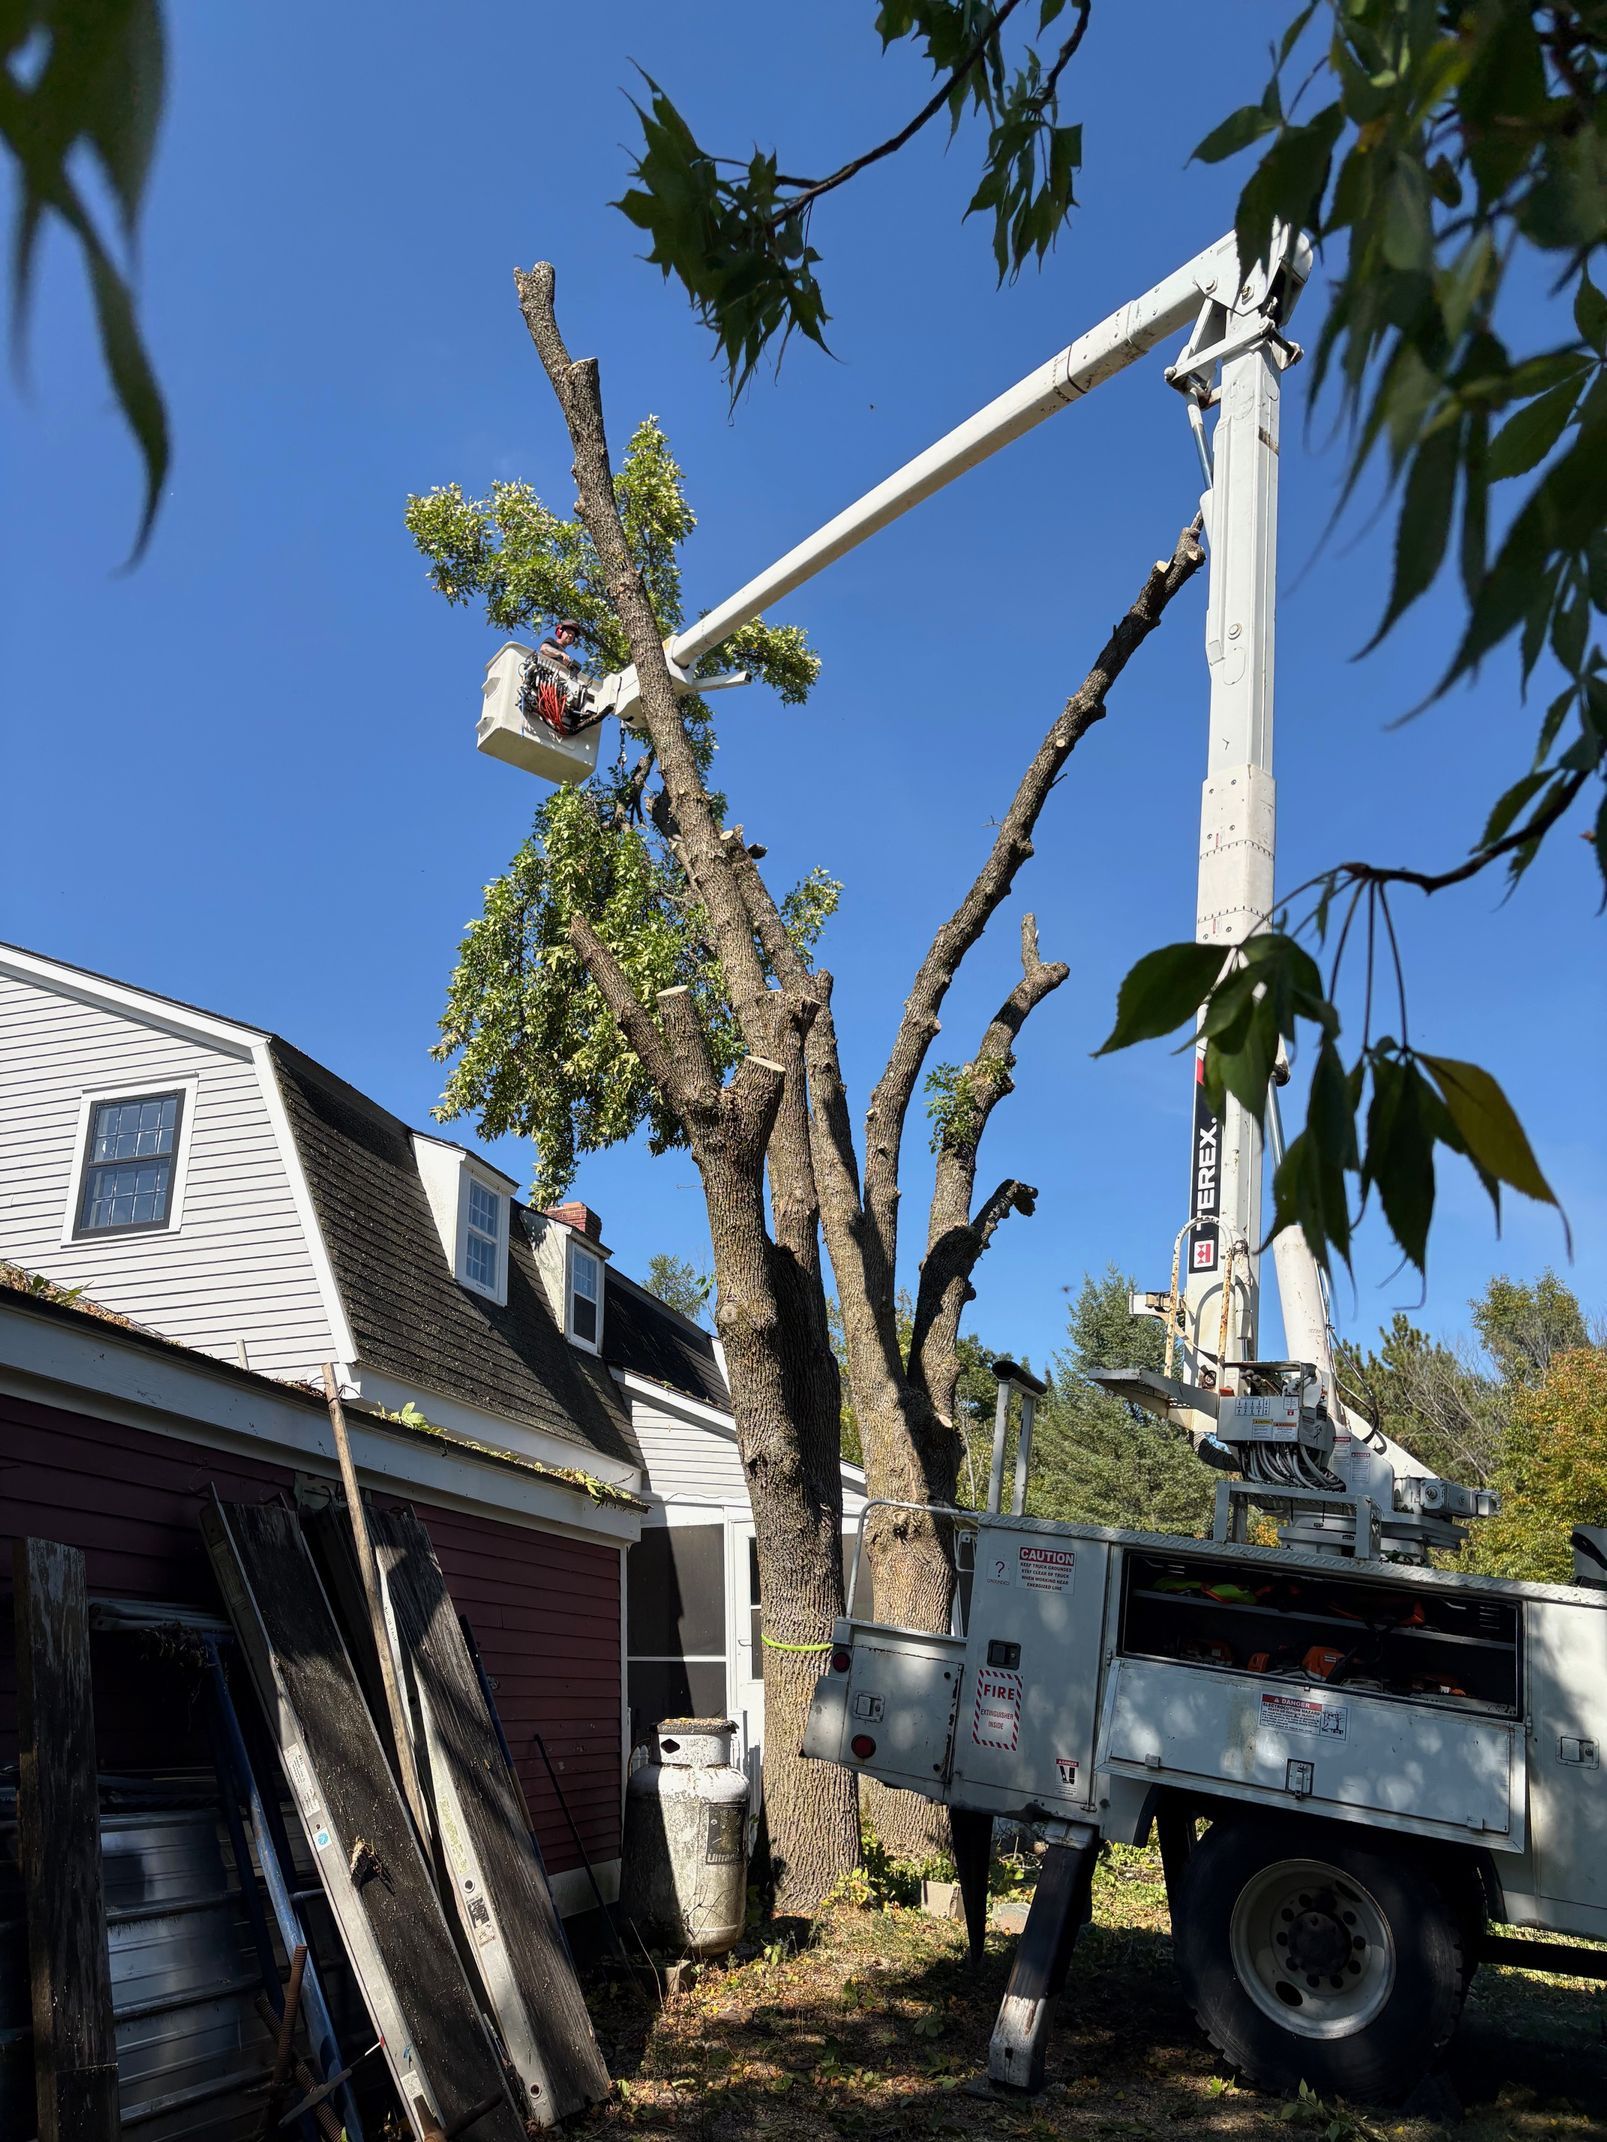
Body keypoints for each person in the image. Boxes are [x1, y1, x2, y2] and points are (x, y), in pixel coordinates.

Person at [526, 617, 596, 735]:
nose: (570, 636)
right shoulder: (552, 643)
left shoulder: (566, 657)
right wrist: (560, 654)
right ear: (560, 632)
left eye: (573, 635)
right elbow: (544, 649)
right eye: (569, 632)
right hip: (544, 682)